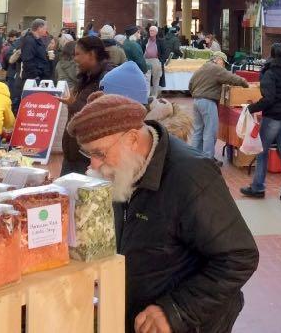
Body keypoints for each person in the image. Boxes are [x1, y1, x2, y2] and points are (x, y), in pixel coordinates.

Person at [68, 92, 258, 333]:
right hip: (141, 316)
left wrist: (176, 309)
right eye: (89, 154)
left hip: (190, 322)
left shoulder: (191, 176)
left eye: (99, 153)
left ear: (133, 139)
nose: (93, 165)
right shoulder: (128, 166)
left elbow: (239, 256)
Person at [241, 43, 281, 203]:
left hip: (273, 117)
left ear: (272, 55)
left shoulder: (270, 72)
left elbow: (269, 98)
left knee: (262, 152)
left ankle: (258, 187)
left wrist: (252, 108)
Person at [60, 36, 113, 176]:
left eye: (78, 54)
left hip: (88, 158)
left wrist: (73, 103)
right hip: (73, 153)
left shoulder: (107, 79)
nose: (75, 59)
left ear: (92, 54)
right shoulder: (86, 77)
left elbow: (100, 115)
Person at [189, 50, 249, 160]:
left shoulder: (202, 68)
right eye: (224, 63)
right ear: (218, 60)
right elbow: (232, 78)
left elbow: (191, 84)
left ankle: (194, 157)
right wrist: (245, 84)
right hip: (208, 102)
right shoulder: (216, 69)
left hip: (196, 101)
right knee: (210, 132)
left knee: (198, 131)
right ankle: (207, 159)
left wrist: (195, 94)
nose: (224, 66)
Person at [142, 24, 168, 97]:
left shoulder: (161, 41)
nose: (151, 32)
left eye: (153, 31)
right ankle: (147, 95)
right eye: (150, 30)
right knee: (147, 79)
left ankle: (154, 95)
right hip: (146, 61)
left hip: (156, 61)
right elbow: (142, 50)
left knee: (156, 79)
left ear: (156, 32)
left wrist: (160, 61)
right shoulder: (145, 40)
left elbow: (165, 53)